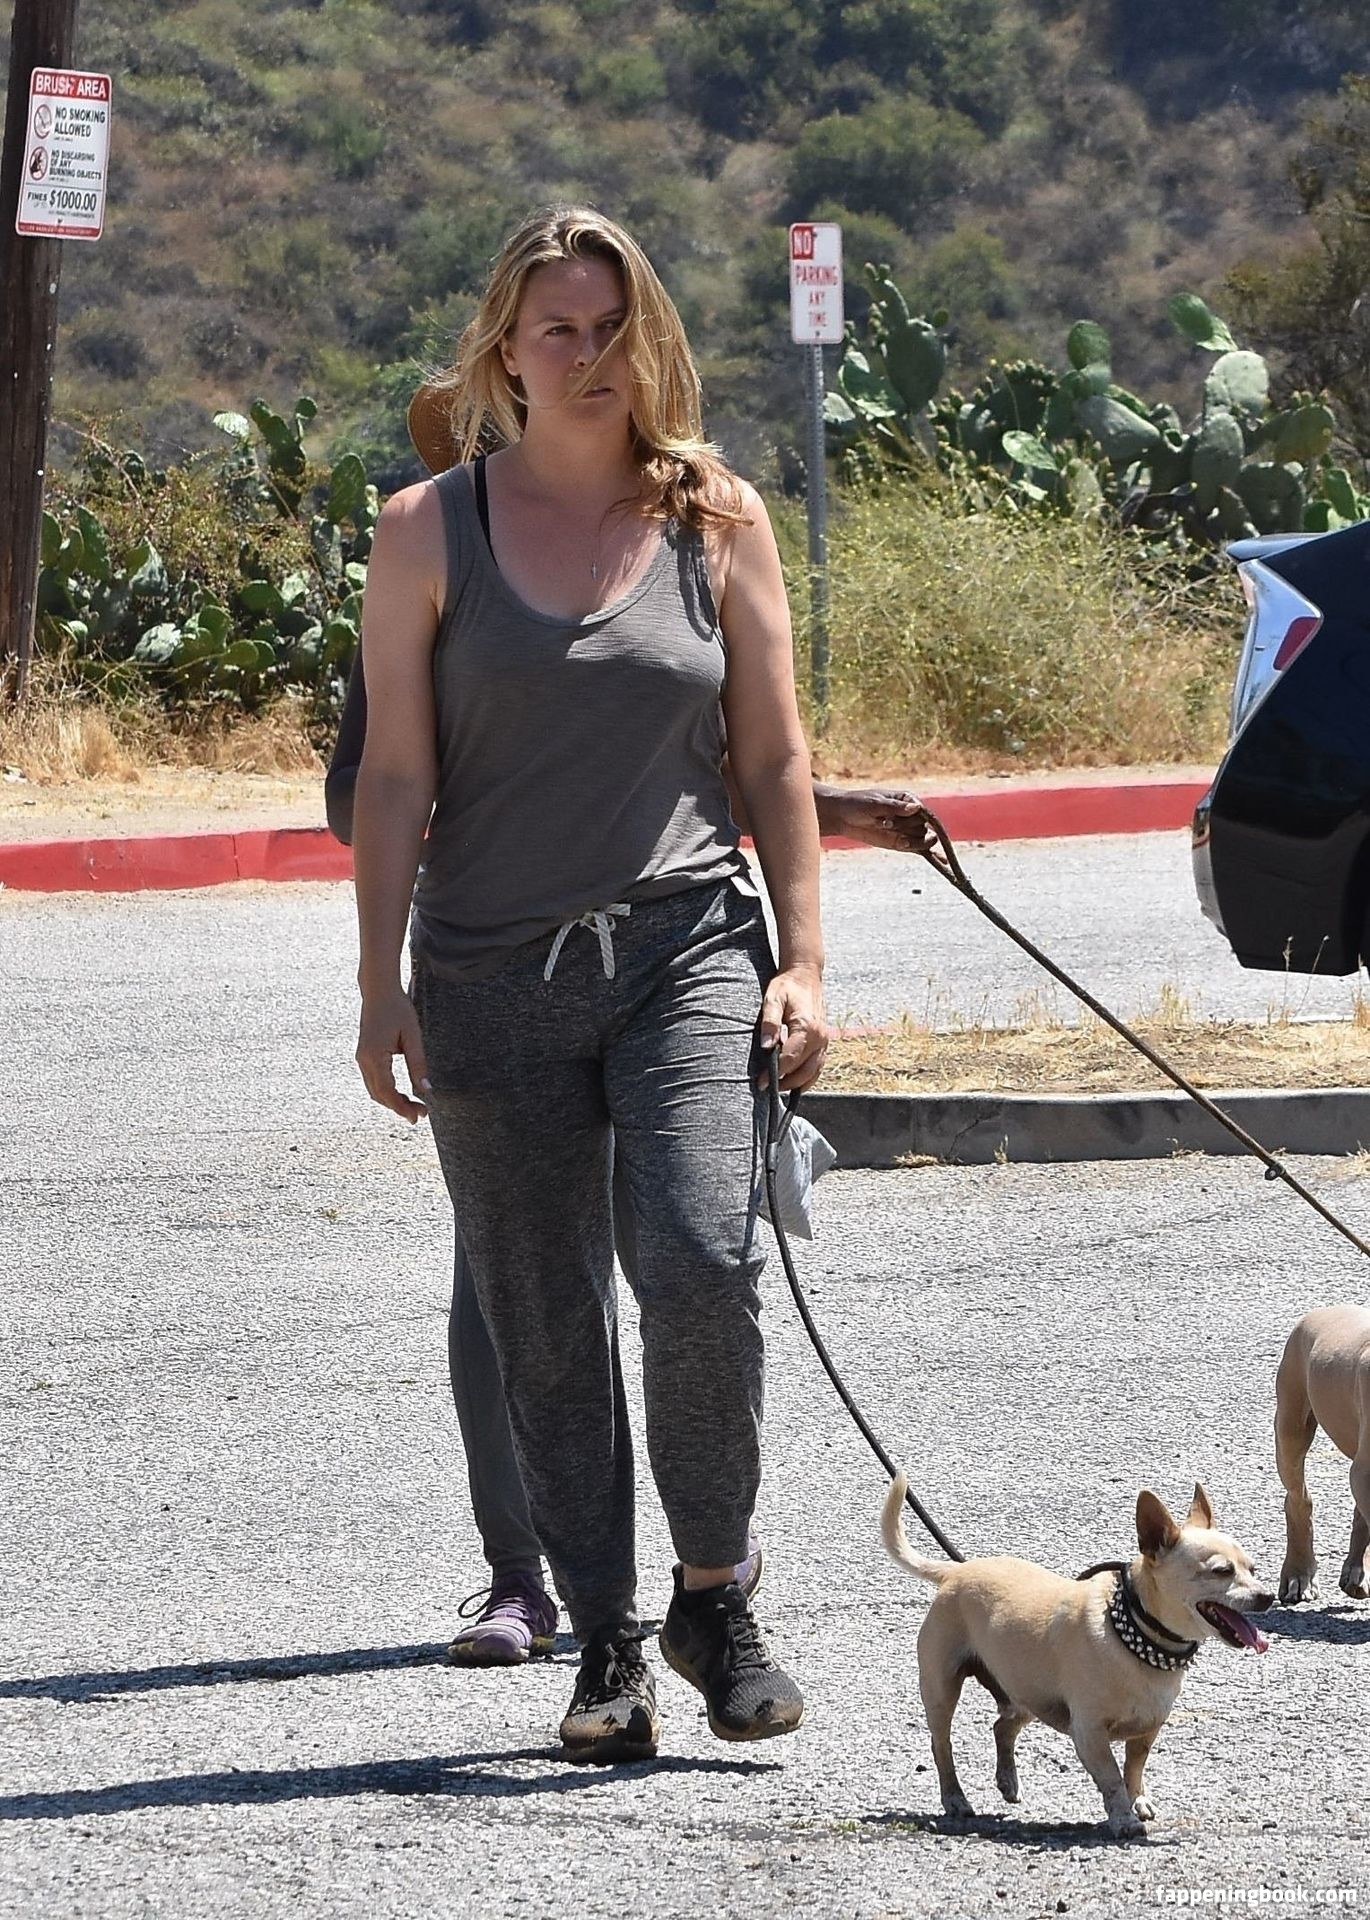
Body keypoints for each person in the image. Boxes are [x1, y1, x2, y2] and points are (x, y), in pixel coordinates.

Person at [350, 202, 906, 1763]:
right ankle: (602, 1635)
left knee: (699, 1255)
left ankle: (713, 1596)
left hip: (684, 946)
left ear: (647, 337)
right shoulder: (426, 530)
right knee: (541, 1317)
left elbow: (771, 755)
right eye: (558, 329)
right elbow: (392, 775)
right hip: (487, 970)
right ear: (504, 350)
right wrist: (379, 982)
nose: (588, 356)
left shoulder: (715, 517)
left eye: (612, 327)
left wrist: (804, 958)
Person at [328, 643, 933, 1668]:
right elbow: (359, 795)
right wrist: (482, 805)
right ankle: (522, 1574)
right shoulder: (434, 578)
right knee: (513, 1297)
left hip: (670, 975)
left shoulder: (679, 571)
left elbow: (697, 762)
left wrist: (825, 808)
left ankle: (713, 1560)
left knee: (696, 1263)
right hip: (501, 976)